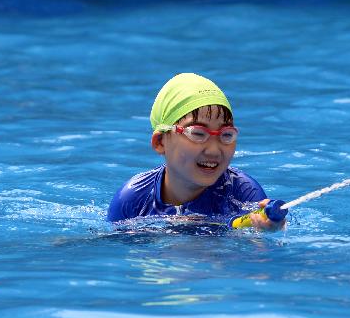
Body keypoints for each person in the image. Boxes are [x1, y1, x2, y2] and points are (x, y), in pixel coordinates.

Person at [107, 73, 286, 231]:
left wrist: (267, 230)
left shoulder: (242, 192)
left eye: (226, 135)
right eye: (198, 133)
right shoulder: (132, 200)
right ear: (160, 142)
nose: (214, 150)